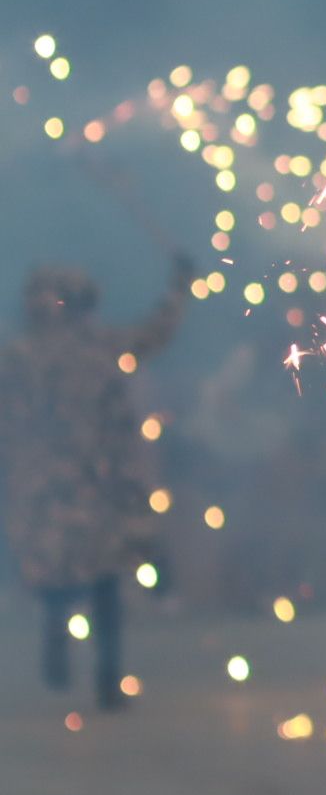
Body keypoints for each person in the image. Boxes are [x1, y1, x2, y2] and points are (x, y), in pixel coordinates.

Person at [0, 256, 189, 711]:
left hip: (52, 484)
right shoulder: (95, 347)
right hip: (90, 482)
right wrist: (179, 291)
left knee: (64, 573)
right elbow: (153, 335)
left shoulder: (19, 355)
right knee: (102, 578)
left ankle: (66, 649)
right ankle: (104, 677)